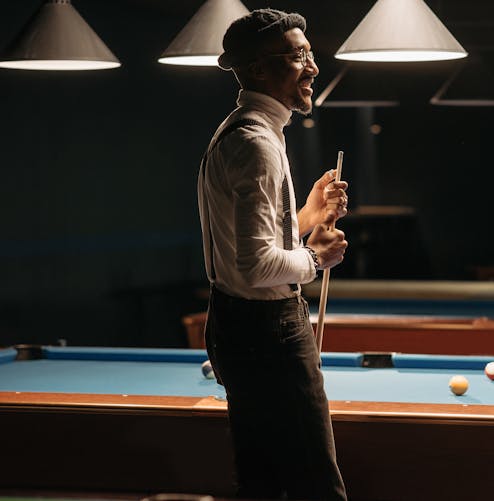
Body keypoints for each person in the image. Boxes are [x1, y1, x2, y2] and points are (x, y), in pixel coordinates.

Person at [197, 9, 348, 500]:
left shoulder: (247, 131)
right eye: (299, 56)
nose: (313, 68)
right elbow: (258, 265)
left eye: (311, 54)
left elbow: (248, 243)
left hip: (238, 323)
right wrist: (316, 256)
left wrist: (306, 215)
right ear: (259, 69)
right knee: (316, 486)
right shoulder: (257, 144)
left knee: (263, 482)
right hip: (266, 327)